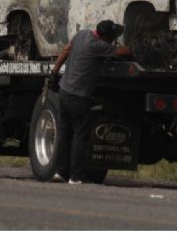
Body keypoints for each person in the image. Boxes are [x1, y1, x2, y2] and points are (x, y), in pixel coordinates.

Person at [50, 20, 132, 184]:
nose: (114, 40)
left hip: (64, 91)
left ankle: (60, 173)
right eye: (113, 37)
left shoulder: (81, 34)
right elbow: (121, 51)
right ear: (106, 37)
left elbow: (66, 50)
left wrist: (54, 72)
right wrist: (137, 47)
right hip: (79, 97)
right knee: (80, 136)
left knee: (65, 134)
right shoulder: (100, 46)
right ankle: (75, 176)